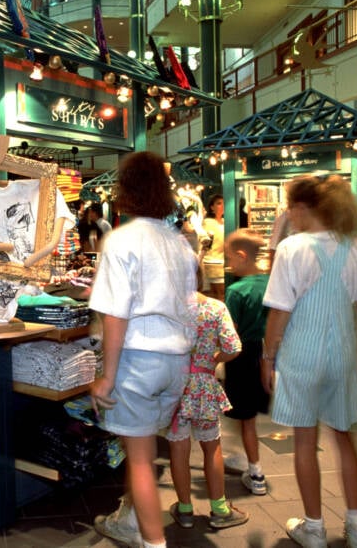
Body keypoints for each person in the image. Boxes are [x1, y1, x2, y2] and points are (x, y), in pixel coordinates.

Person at [261, 174, 357, 548]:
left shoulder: (292, 248)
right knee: (346, 438)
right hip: (343, 352)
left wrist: (267, 356)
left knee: (304, 440)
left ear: (301, 208)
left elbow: (279, 313)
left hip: (302, 353)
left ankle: (313, 527)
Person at [89, 151, 199, 548]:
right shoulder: (179, 244)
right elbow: (190, 305)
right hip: (176, 362)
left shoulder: (120, 241)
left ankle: (152, 542)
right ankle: (130, 519)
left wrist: (106, 377)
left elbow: (115, 316)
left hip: (138, 358)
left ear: (125, 189)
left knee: (139, 458)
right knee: (144, 449)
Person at [166, 291, 248, 529]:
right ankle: (220, 509)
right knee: (211, 447)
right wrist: (215, 358)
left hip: (175, 387)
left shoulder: (167, 306)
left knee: (178, 448)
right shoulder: (215, 307)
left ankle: (184, 510)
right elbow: (234, 347)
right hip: (204, 386)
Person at [223, 228, 271, 495]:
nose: (229, 264)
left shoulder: (236, 291)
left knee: (243, 418)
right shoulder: (271, 284)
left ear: (242, 256)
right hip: (265, 355)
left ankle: (255, 473)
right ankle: (247, 462)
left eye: (230, 258)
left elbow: (230, 332)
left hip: (240, 357)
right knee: (248, 417)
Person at [202, 194, 225, 299]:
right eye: (219, 203)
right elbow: (206, 244)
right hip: (213, 262)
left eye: (223, 203)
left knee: (222, 294)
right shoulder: (208, 222)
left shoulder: (225, 222)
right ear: (212, 207)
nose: (222, 205)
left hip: (223, 262)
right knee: (219, 294)